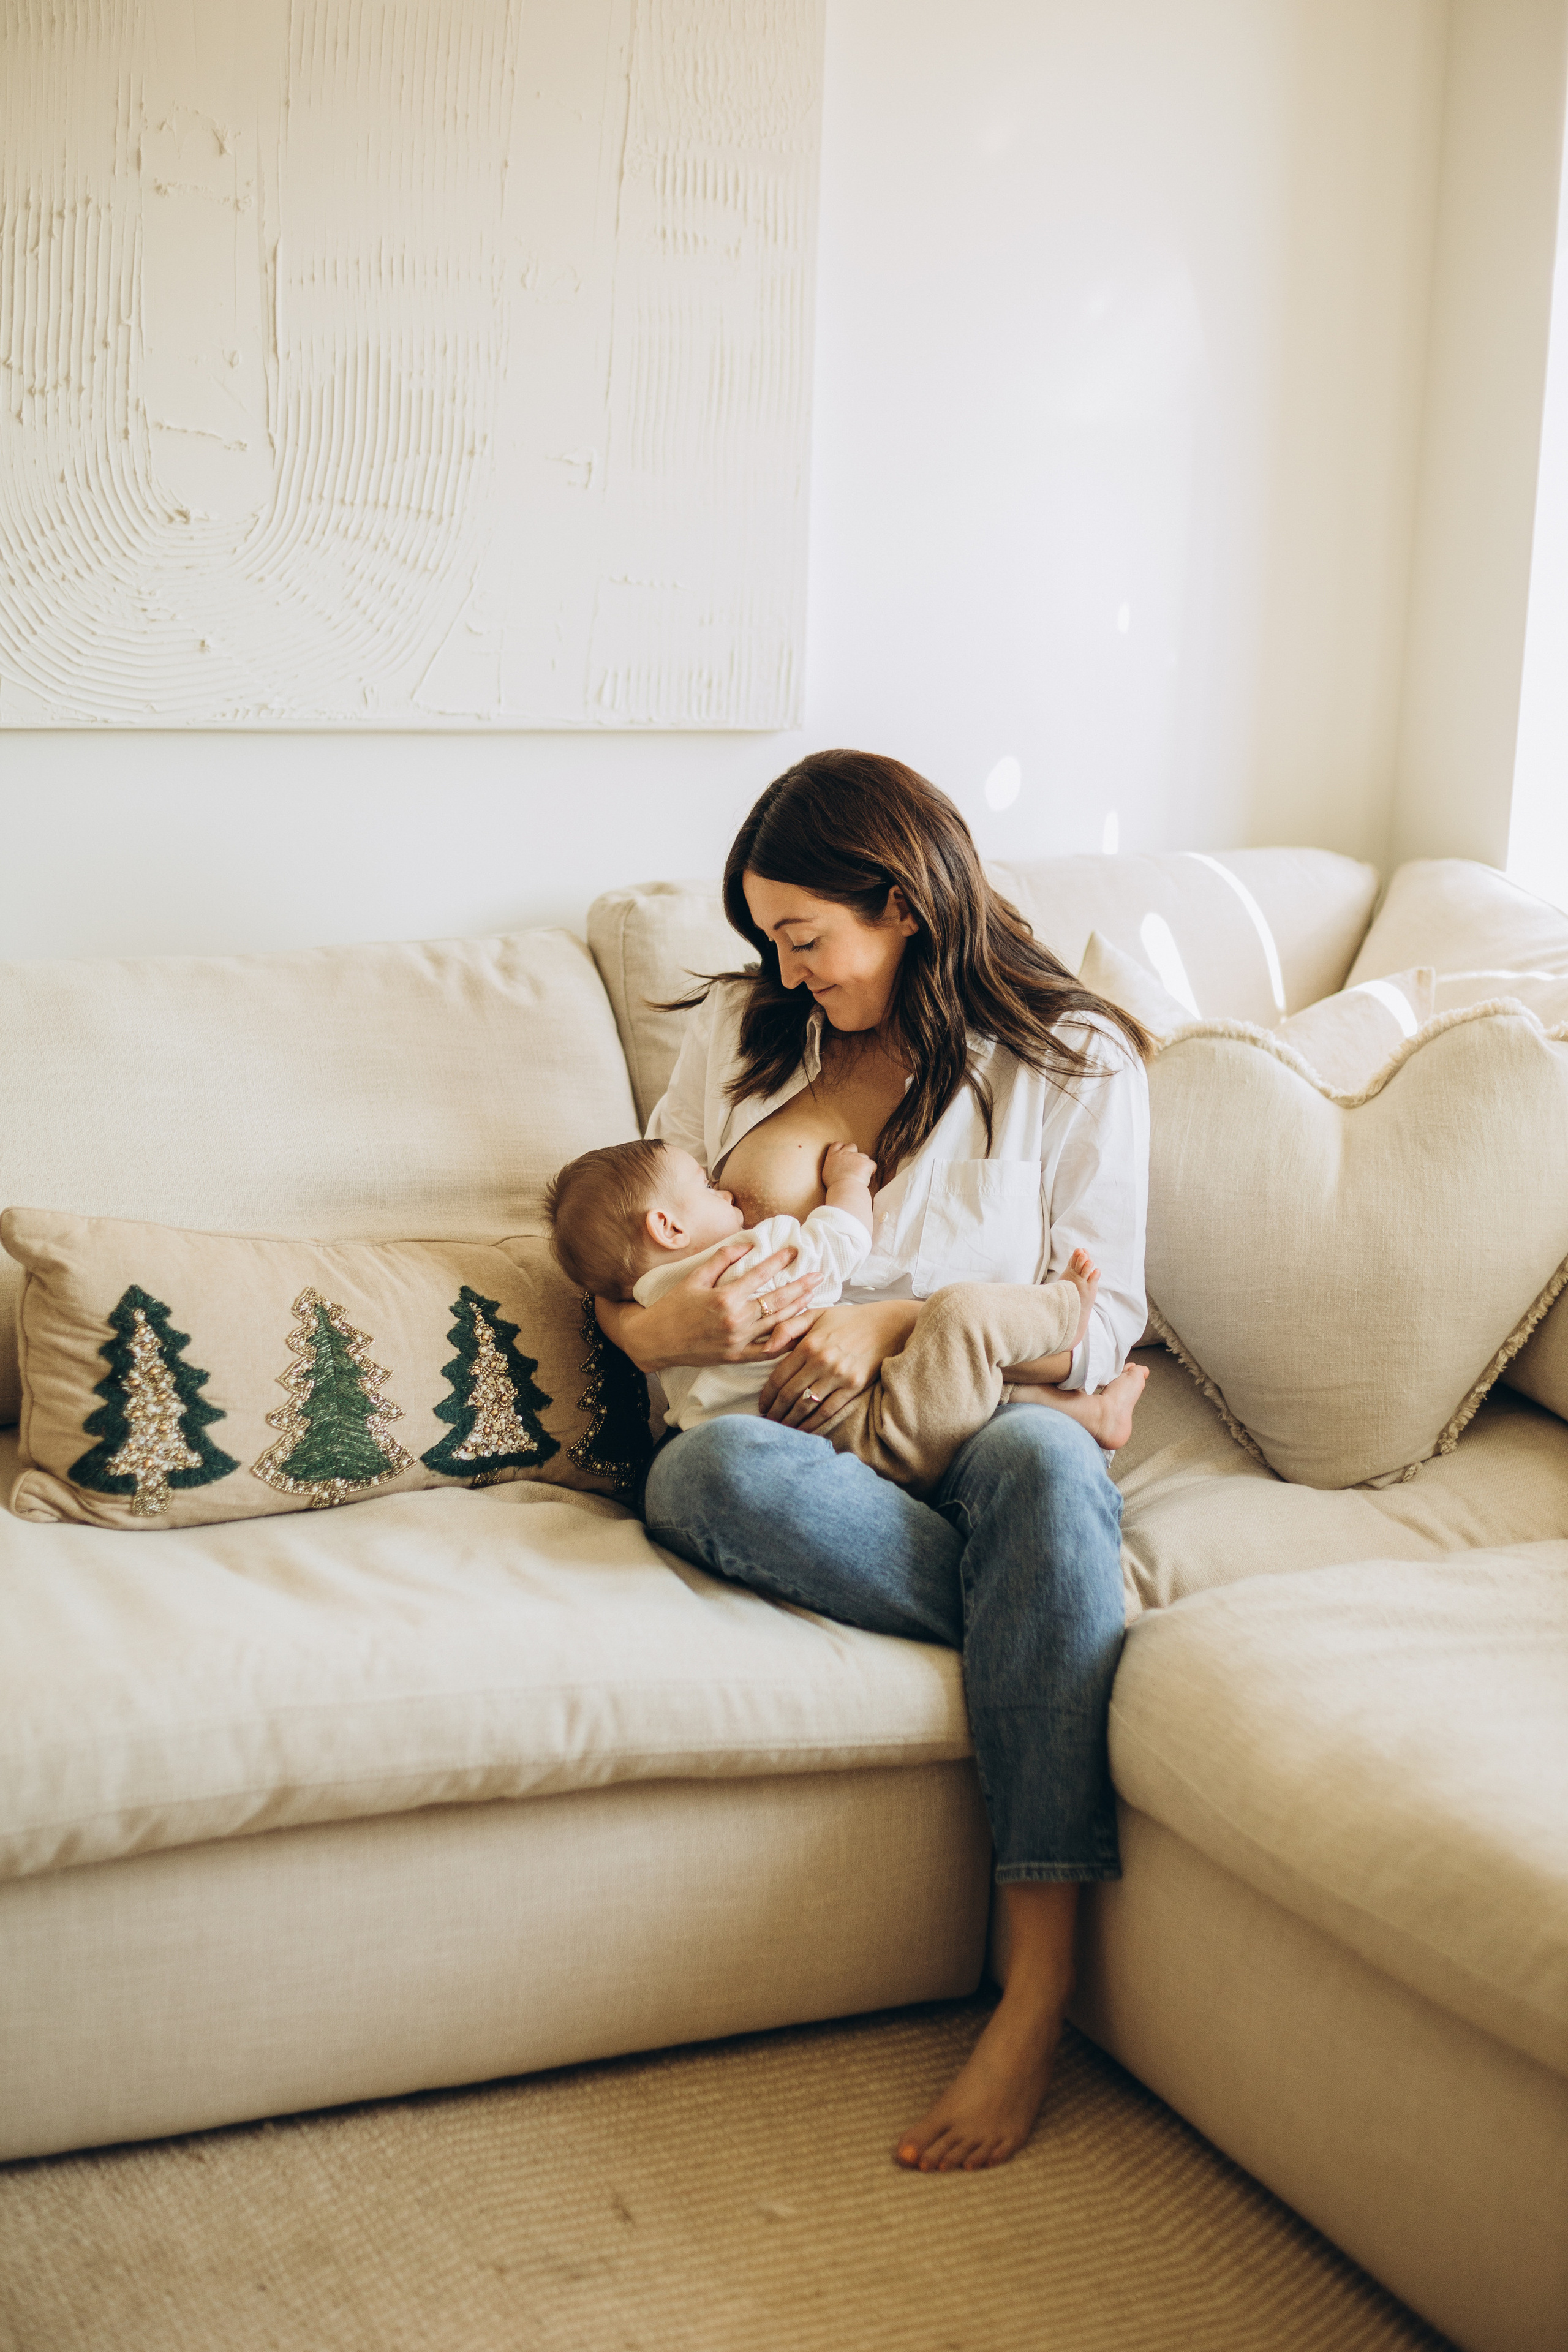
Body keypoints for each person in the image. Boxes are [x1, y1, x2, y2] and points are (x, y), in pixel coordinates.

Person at [594, 749, 1151, 2174]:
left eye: (804, 938)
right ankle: (1053, 1614)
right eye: (769, 941)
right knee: (696, 1478)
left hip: (984, 1415)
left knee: (1037, 1468)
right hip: (791, 1448)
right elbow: (616, 1272)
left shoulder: (1069, 1058)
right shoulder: (736, 1037)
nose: (784, 974)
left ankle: (1033, 1993)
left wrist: (885, 1314)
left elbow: (1103, 1323)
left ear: (900, 903)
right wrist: (679, 1316)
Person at [546, 1134, 1121, 1493]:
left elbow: (608, 1291)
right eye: (708, 1186)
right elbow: (843, 1238)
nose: (724, 1193)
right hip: (874, 1430)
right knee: (958, 1312)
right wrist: (847, 1182)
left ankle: (1087, 1417)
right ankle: (1063, 1312)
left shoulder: (646, 1294)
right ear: (670, 1228)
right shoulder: (751, 1254)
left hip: (781, 1458)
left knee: (973, 1388)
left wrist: (637, 1330)